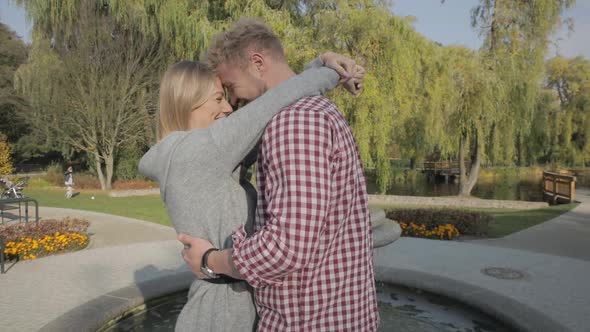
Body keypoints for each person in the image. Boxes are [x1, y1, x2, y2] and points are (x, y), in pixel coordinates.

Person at [138, 47, 363, 331]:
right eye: (219, 98)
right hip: (222, 316)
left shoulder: (200, 156)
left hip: (228, 306)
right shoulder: (197, 151)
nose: (229, 108)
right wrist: (331, 71)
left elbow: (272, 113)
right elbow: (274, 102)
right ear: (186, 102)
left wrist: (316, 66)